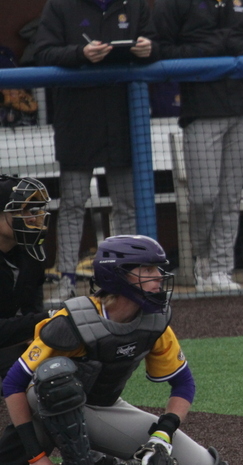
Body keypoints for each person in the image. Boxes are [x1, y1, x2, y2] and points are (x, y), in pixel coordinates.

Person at [0, 235, 228, 465]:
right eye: (146, 269)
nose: (158, 276)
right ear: (116, 276)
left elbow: (183, 383)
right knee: (57, 380)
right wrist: (36, 457)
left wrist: (162, 435)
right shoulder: (71, 322)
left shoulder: (153, 321)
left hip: (104, 408)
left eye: (158, 268)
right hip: (44, 403)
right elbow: (14, 382)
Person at [33, 0, 159, 305]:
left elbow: (159, 44)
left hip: (123, 120)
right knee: (74, 204)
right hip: (77, 122)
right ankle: (66, 280)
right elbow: (41, 52)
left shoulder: (135, 5)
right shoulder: (61, 6)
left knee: (128, 204)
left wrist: (149, 49)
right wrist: (80, 54)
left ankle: (127, 280)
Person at [153, 0, 243, 292]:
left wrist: (232, 45)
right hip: (200, 109)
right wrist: (206, 49)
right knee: (203, 197)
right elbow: (161, 50)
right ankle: (203, 259)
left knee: (229, 198)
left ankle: (221, 268)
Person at [0, 176, 51, 387]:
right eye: (22, 211)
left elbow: (31, 311)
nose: (32, 218)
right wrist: (49, 319)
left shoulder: (31, 254)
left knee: (59, 374)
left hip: (6, 344)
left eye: (34, 210)